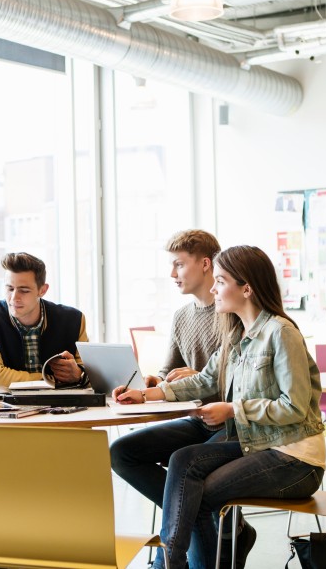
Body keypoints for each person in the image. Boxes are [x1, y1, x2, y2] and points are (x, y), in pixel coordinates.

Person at [115, 245, 326, 569]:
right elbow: (205, 381)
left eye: (221, 280)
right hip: (258, 442)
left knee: (195, 492)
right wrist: (145, 395)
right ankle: (173, 561)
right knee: (183, 463)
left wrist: (233, 410)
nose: (213, 288)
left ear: (246, 287)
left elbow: (294, 407)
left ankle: (168, 561)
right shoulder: (237, 335)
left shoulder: (281, 333)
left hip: (295, 457)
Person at [111, 229, 242, 568]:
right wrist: (154, 381)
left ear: (204, 264)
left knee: (185, 471)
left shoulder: (233, 310)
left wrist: (196, 378)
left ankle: (171, 557)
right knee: (122, 453)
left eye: (179, 265)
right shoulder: (182, 316)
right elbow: (171, 369)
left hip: (232, 421)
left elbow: (240, 380)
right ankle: (220, 531)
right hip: (197, 418)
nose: (172, 274)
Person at [0, 252, 89, 388]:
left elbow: (90, 374)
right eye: (10, 288)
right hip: (7, 407)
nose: (14, 298)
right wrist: (50, 379)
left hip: (62, 407)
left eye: (24, 290)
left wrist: (79, 374)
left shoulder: (73, 320)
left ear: (43, 290)